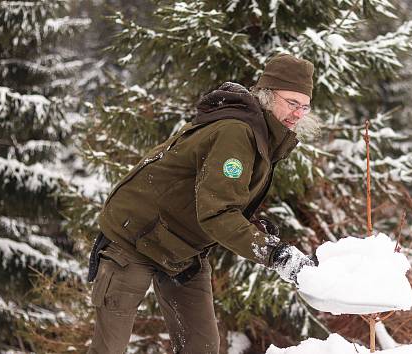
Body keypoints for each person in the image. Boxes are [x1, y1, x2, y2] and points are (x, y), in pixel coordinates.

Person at [87, 54, 317, 354]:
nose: (298, 113)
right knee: (110, 348)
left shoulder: (263, 136)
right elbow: (217, 213)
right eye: (291, 102)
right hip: (133, 239)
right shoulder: (237, 133)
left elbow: (217, 196)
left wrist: (253, 227)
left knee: (201, 346)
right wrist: (276, 255)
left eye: (305, 106)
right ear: (267, 96)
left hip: (182, 249)